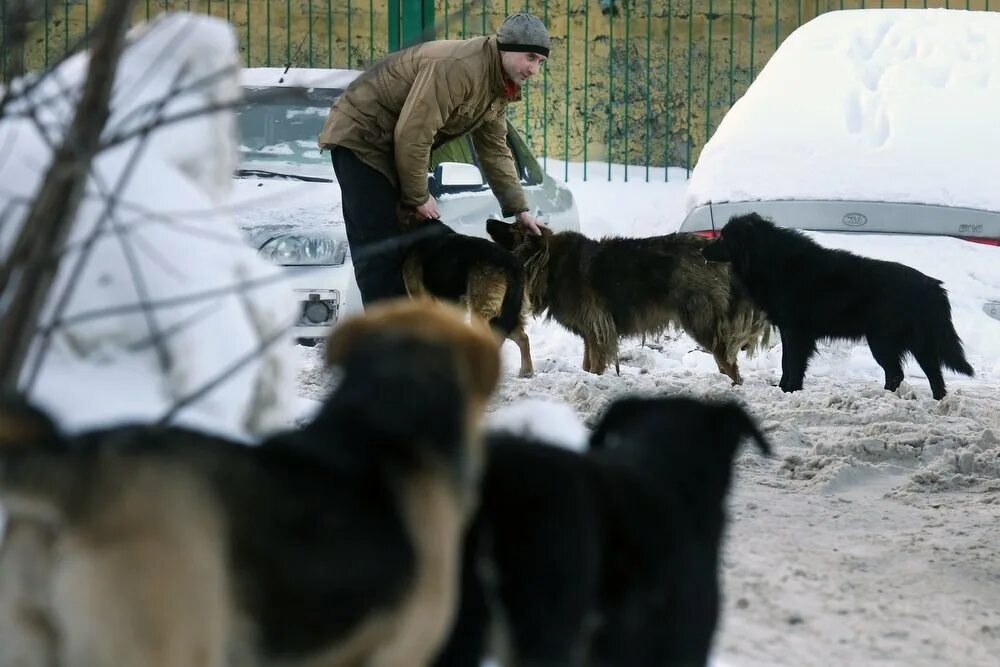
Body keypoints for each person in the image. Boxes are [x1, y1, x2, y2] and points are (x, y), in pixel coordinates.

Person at [318, 12, 549, 308]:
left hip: (393, 146)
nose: (534, 69)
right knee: (380, 249)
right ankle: (386, 345)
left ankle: (408, 338)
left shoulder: (497, 85)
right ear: (505, 46)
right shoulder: (460, 69)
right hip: (363, 137)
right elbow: (414, 134)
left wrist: (519, 209)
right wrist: (418, 196)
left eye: (540, 62)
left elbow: (494, 148)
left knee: (410, 245)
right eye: (529, 57)